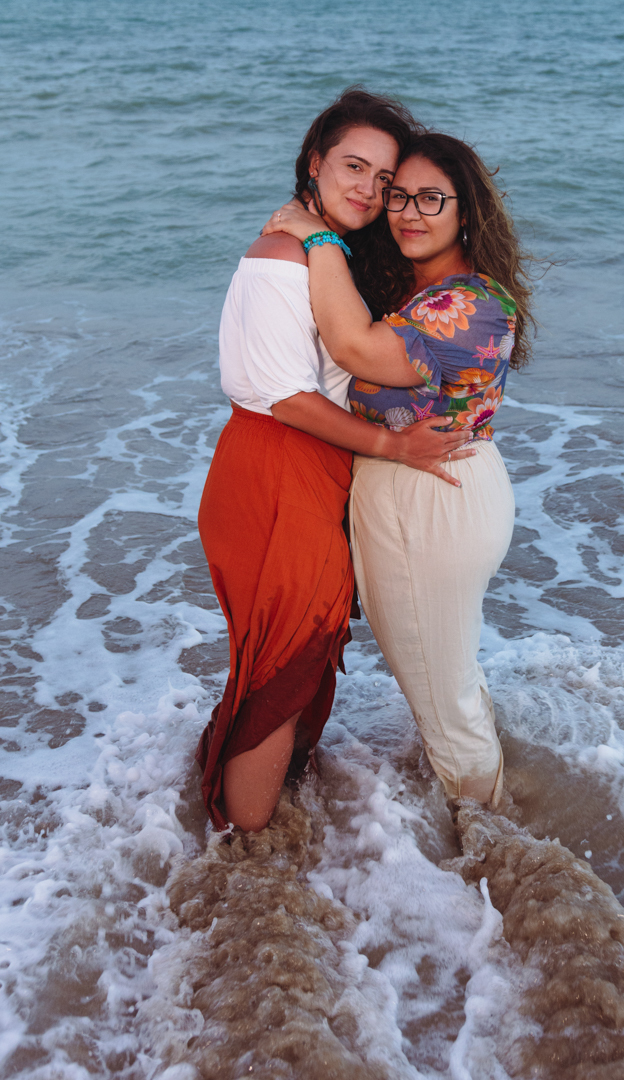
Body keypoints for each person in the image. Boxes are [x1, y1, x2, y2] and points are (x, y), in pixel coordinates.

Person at [196, 94, 473, 833]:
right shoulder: (283, 260)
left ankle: (251, 815)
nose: (369, 190)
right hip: (275, 469)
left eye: (385, 180)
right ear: (315, 162)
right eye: (354, 166)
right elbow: (287, 398)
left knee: (292, 654)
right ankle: (250, 861)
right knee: (281, 665)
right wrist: (392, 445)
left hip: (303, 471)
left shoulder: (320, 252)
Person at [263, 131, 534, 808]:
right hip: (430, 492)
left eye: (430, 199)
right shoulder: (421, 288)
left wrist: (315, 238)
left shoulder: (469, 303)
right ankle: (493, 801)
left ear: (465, 211)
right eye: (397, 195)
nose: (409, 212)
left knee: (444, 702)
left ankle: (498, 853)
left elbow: (354, 346)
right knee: (448, 682)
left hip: (430, 501)